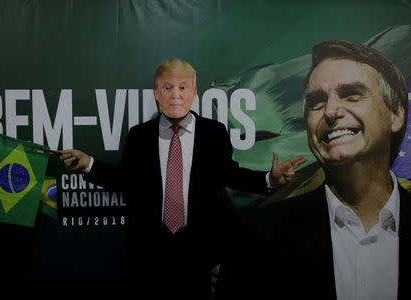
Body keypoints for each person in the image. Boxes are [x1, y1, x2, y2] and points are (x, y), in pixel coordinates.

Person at [58, 58, 307, 299]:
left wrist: (269, 180)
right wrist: (88, 163)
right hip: (149, 253)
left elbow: (231, 174)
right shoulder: (140, 136)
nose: (176, 94)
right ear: (157, 92)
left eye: (183, 87)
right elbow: (125, 180)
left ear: (194, 92)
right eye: (167, 87)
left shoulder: (213, 133)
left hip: (198, 252)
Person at [217, 40, 410, 300]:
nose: (330, 111)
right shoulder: (255, 238)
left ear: (396, 114)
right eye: (316, 102)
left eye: (351, 94)